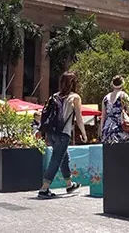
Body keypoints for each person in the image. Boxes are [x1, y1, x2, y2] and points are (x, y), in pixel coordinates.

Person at [38, 71, 87, 199]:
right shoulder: (75, 97)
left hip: (51, 133)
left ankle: (69, 184)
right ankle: (44, 188)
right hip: (63, 134)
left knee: (63, 157)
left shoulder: (54, 96)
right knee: (56, 159)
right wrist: (83, 133)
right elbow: (79, 118)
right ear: (73, 83)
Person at [101, 75, 129, 144]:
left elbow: (103, 116)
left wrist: (102, 130)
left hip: (107, 127)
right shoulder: (123, 95)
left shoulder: (105, 98)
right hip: (120, 127)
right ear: (123, 84)